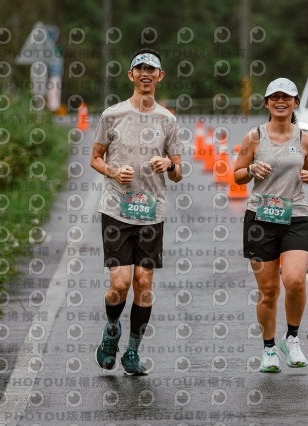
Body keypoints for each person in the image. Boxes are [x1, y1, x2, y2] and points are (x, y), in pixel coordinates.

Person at [90, 48, 183, 375]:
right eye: (139, 68)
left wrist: (169, 163)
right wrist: (114, 172)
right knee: (120, 284)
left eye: (152, 69)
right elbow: (95, 158)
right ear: (131, 75)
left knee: (144, 283)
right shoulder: (112, 115)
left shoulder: (167, 120)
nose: (146, 74)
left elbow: (178, 171)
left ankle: (132, 351)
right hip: (116, 210)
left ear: (160, 76)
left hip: (150, 214)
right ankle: (111, 330)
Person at [233, 77, 308, 373]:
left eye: (287, 97)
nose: (281, 102)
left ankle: (291, 338)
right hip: (261, 219)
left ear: (295, 103)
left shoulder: (305, 139)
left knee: (294, 280)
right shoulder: (254, 137)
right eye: (275, 97)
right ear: (267, 103)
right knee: (268, 291)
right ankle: (269, 348)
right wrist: (251, 168)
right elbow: (237, 175)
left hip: (296, 217)